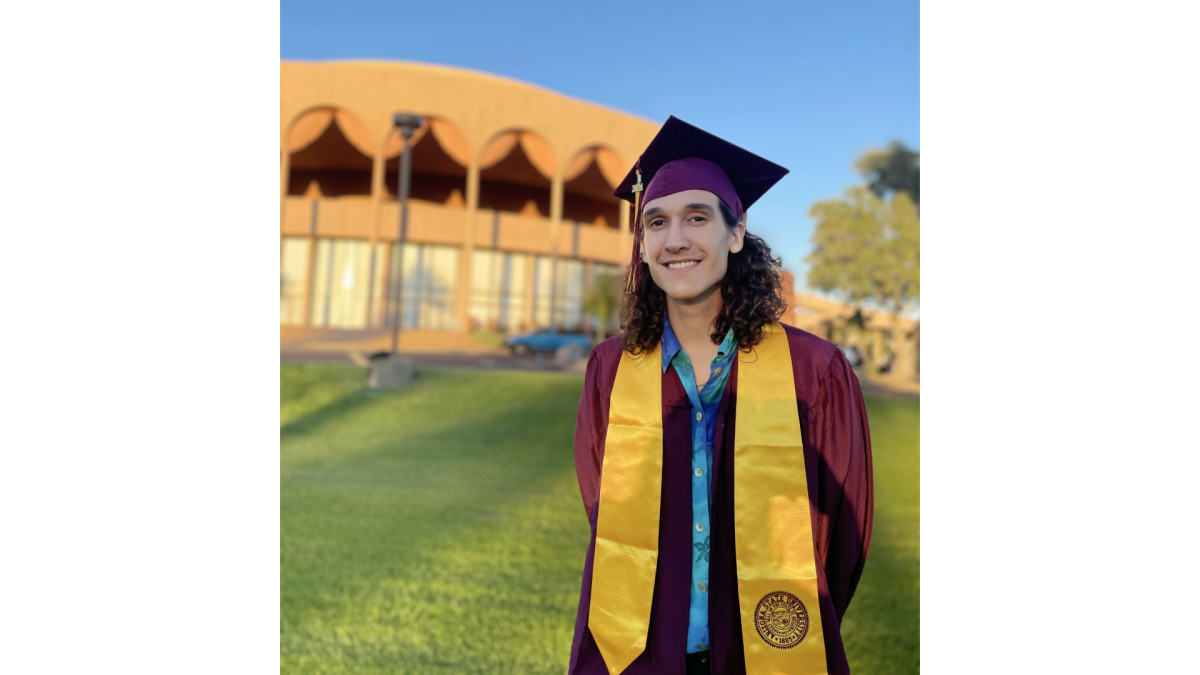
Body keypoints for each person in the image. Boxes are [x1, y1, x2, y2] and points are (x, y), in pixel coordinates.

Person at [569, 117, 873, 675]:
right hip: (637, 648)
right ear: (642, 245)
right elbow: (601, 508)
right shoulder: (609, 369)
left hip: (767, 647)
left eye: (697, 217)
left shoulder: (814, 371)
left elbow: (844, 535)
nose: (675, 239)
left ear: (735, 235)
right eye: (656, 222)